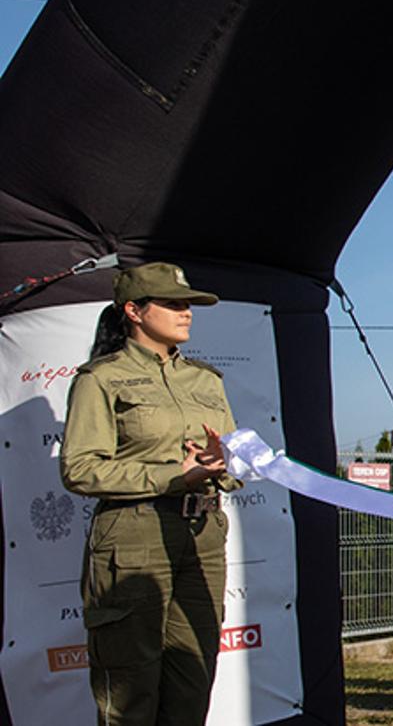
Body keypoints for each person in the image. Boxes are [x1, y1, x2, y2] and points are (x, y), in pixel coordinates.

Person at [61, 262, 239, 726]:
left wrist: (224, 464)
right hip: (132, 536)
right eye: (174, 303)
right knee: (129, 690)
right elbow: (80, 469)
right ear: (134, 312)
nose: (186, 313)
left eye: (188, 304)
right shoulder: (101, 378)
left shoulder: (206, 380)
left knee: (192, 681)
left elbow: (234, 463)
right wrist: (172, 474)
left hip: (201, 534)